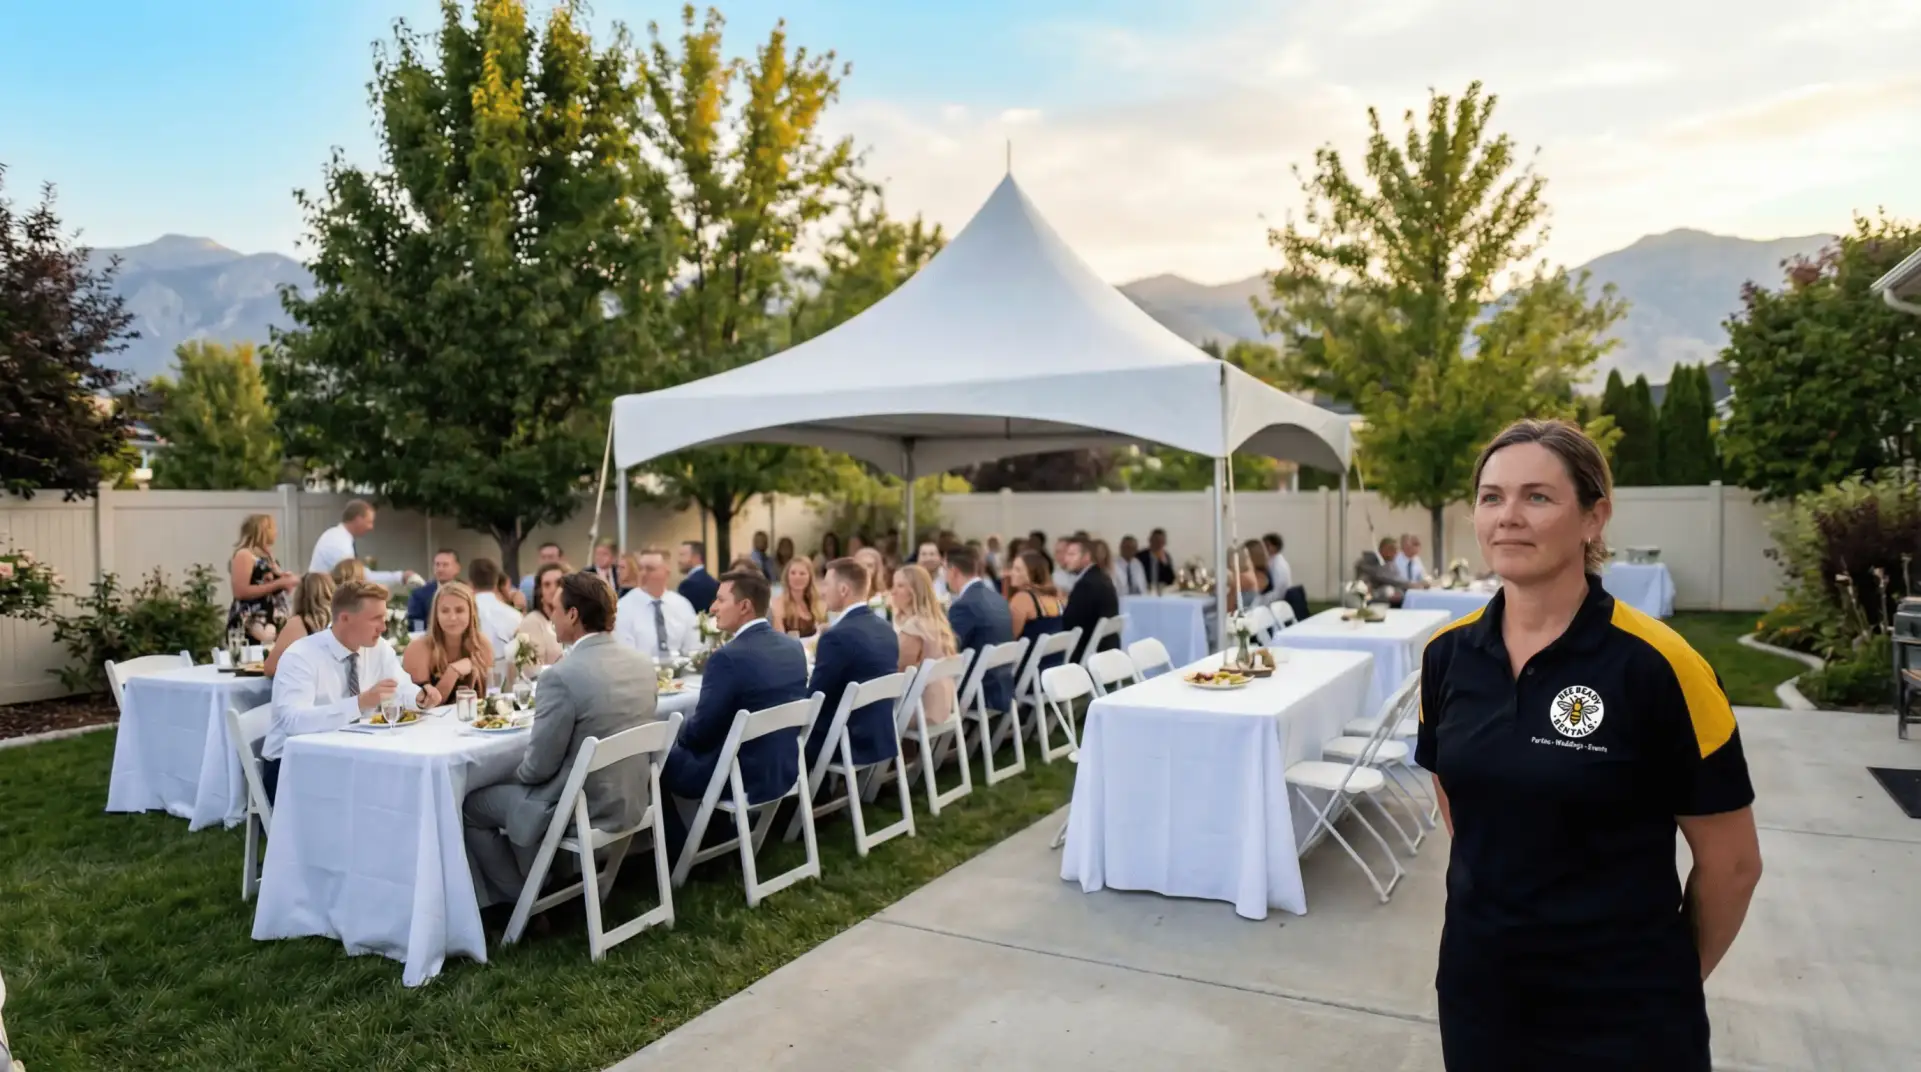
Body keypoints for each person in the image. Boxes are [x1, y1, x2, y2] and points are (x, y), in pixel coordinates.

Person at [1417, 418, 1761, 1070]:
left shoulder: (1661, 666)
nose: (1507, 517)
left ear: (1592, 517)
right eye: (1491, 497)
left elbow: (1733, 864)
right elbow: (1456, 797)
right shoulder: (1447, 656)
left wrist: (1661, 984)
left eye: (1536, 497)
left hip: (1622, 1016)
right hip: (1478, 994)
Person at [463, 572, 659, 906]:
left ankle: (523, 901)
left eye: (554, 608)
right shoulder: (642, 664)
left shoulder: (561, 677)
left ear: (572, 615)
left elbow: (538, 768)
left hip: (584, 808)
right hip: (633, 797)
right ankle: (542, 884)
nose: (550, 615)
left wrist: (503, 773)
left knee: (471, 804)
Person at [660, 570, 809, 859]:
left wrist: (673, 737)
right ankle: (717, 835)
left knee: (654, 761)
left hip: (743, 776)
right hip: (784, 766)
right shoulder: (792, 647)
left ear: (744, 606)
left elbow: (701, 734)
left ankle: (680, 854)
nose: (713, 607)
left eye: (720, 599)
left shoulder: (727, 658)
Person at [264, 580, 430, 802]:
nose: (383, 627)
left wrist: (419, 697)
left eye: (384, 618)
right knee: (383, 790)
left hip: (351, 756)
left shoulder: (378, 647)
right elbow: (293, 722)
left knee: (406, 780)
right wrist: (359, 703)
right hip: (293, 765)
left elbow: (399, 685)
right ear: (344, 618)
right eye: (375, 619)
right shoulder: (300, 656)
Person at [805, 558, 900, 765]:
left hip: (848, 741)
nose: (822, 591)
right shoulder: (886, 629)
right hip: (880, 735)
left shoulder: (836, 637)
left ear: (844, 589)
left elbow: (816, 699)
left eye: (827, 584)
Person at [943, 546, 1014, 716]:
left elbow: (948, 650)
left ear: (953, 571)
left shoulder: (964, 605)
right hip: (1002, 683)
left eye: (944, 570)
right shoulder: (997, 598)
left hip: (978, 690)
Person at [401, 581, 492, 701]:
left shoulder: (481, 644)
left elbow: (487, 698)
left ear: (471, 613)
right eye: (445, 611)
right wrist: (452, 673)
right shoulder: (418, 648)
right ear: (436, 615)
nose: (452, 618)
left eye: (459, 610)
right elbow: (423, 704)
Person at [892, 564, 959, 725]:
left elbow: (897, 671)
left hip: (923, 709)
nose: (893, 591)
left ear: (914, 592)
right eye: (893, 585)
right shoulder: (936, 621)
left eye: (900, 586)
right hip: (943, 703)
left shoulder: (914, 628)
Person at [306, 499, 420, 587]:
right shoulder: (338, 542)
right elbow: (359, 577)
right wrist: (400, 577)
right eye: (369, 522)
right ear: (358, 519)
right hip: (322, 605)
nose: (371, 527)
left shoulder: (337, 536)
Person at [614, 548, 698, 658]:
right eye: (640, 569)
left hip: (680, 672)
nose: (643, 574)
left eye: (650, 569)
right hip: (641, 672)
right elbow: (625, 653)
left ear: (667, 572)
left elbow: (693, 647)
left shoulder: (682, 605)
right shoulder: (623, 607)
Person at [227, 514, 298, 643]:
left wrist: (284, 579)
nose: (276, 532)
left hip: (272, 620)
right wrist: (279, 583)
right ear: (262, 530)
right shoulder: (244, 555)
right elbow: (240, 591)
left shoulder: (267, 555)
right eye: (272, 528)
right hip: (253, 622)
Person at [1006, 549, 1067, 691]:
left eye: (1017, 569)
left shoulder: (1023, 599)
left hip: (1029, 675)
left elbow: (1010, 639)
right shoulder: (1057, 597)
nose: (1011, 573)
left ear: (1032, 573)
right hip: (1054, 671)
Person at [1060, 535, 1121, 663]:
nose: (1066, 559)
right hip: (1107, 648)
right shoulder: (1102, 577)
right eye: (1066, 554)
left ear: (1086, 557)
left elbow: (1070, 625)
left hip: (1089, 654)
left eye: (1072, 555)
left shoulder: (1086, 584)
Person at [265, 572, 334, 677]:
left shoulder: (299, 623)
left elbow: (271, 668)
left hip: (307, 687)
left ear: (299, 595)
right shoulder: (342, 621)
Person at [466, 559, 523, 669]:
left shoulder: (464, 613)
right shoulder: (514, 615)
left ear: (470, 584)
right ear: (496, 583)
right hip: (507, 676)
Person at [515, 562, 567, 666]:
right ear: (540, 591)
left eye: (558, 583)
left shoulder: (573, 619)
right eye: (547, 585)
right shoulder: (531, 622)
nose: (553, 589)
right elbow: (531, 668)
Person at [406, 548, 461, 632]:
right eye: (437, 565)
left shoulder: (466, 592)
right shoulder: (420, 594)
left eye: (445, 565)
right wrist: (421, 638)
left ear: (457, 568)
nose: (440, 569)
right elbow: (416, 621)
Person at [770, 557, 824, 638]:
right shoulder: (777, 603)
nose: (797, 577)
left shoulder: (815, 603)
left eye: (802, 573)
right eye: (793, 573)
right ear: (787, 576)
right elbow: (779, 639)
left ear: (810, 577)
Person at [1355, 536, 1407, 605]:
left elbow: (1399, 580)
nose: (1396, 553)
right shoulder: (1367, 563)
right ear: (1385, 550)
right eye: (1394, 550)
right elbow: (1391, 579)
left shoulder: (1390, 563)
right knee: (1388, 590)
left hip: (1390, 601)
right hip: (1371, 600)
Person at [677, 541, 719, 611]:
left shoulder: (688, 585)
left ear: (696, 557)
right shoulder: (714, 582)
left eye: (682, 555)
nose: (679, 560)